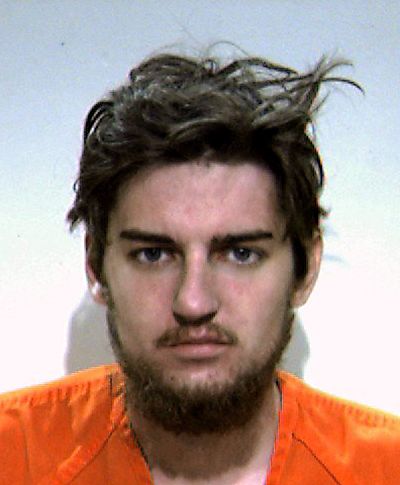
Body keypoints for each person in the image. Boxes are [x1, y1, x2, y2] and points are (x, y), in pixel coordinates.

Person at [0, 50, 399, 485]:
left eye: (241, 253)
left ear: (305, 270)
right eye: (153, 254)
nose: (193, 303)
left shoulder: (386, 468)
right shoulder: (12, 455)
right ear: (96, 267)